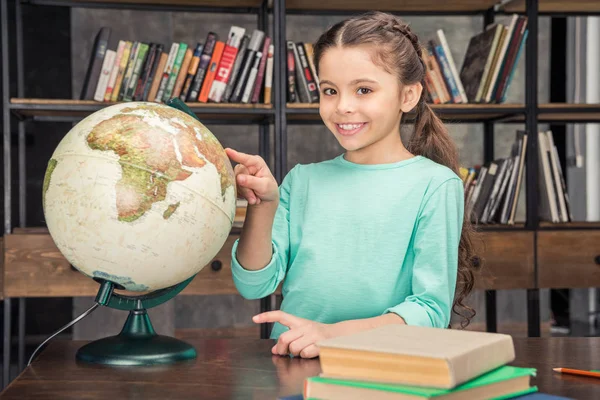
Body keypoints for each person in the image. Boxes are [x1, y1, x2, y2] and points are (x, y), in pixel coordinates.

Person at [225, 11, 477, 359]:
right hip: (293, 359)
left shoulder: (435, 185)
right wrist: (263, 206)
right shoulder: (302, 180)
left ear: (408, 96)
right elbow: (253, 284)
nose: (343, 106)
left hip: (383, 363)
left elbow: (430, 312)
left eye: (363, 90)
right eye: (330, 91)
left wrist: (329, 335)